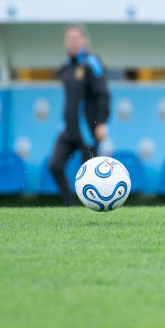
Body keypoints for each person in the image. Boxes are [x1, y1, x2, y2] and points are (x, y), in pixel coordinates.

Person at [47, 25, 110, 206]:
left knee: (91, 175)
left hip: (87, 130)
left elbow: (103, 94)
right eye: (69, 38)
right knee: (55, 165)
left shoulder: (92, 63)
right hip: (69, 130)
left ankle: (95, 207)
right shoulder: (66, 67)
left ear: (84, 40)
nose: (73, 42)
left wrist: (102, 122)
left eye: (76, 38)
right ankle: (69, 205)